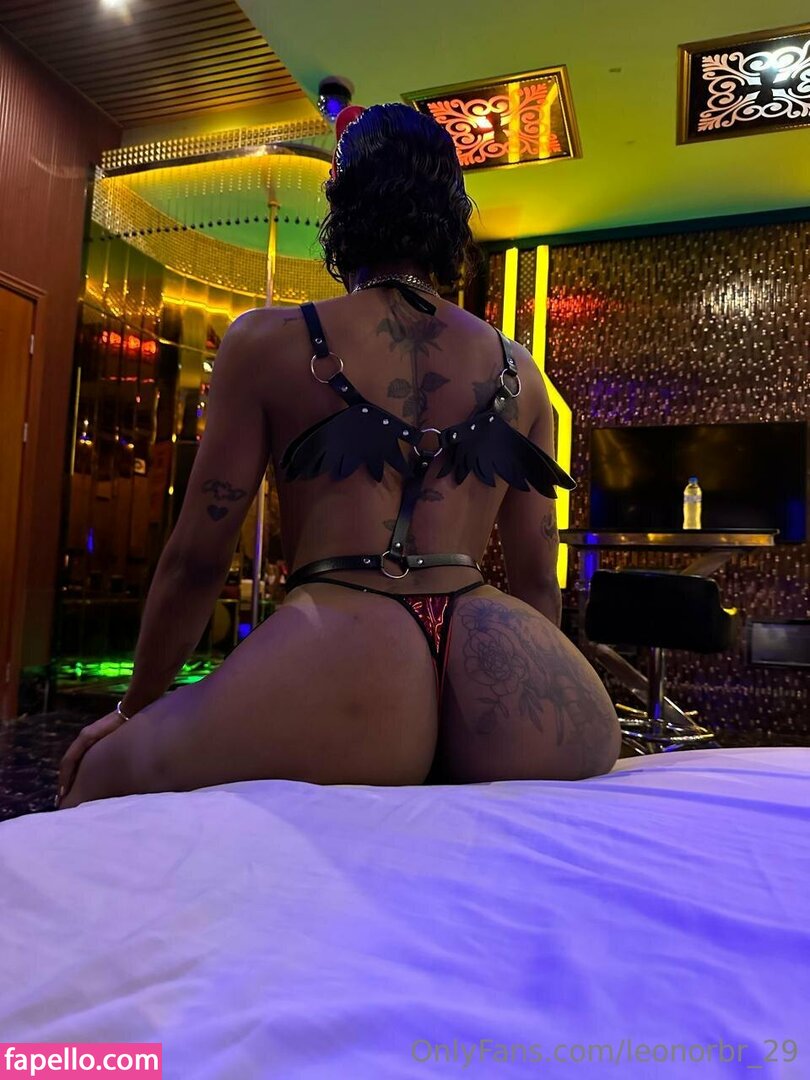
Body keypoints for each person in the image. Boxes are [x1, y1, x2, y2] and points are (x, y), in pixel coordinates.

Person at [58, 104, 619, 809]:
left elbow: (198, 559)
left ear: (341, 209)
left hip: (347, 649)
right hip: (508, 670)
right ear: (452, 219)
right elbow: (538, 582)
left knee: (97, 778)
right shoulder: (522, 373)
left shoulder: (268, 342)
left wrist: (134, 708)